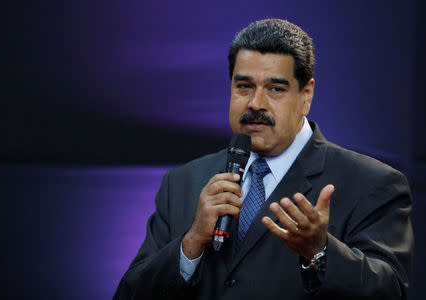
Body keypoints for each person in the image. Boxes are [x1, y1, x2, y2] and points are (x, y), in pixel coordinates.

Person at [113, 19, 413, 299]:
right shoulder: (182, 182)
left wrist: (320, 253)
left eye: (275, 89)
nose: (256, 103)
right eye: (244, 86)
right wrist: (190, 245)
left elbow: (391, 291)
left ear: (306, 95)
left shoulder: (372, 183)